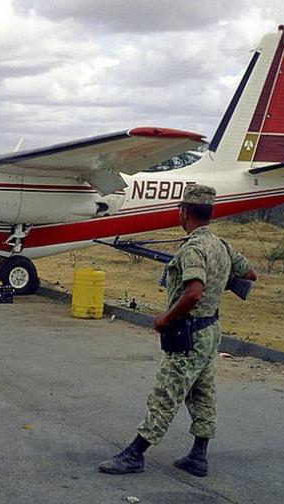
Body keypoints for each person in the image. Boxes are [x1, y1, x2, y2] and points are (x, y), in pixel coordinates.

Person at [98, 184, 257, 477]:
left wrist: (165, 318)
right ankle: (198, 456)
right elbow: (249, 273)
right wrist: (221, 280)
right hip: (211, 329)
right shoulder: (221, 245)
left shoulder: (194, 249)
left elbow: (193, 292)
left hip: (189, 332)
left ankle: (135, 454)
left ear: (184, 213)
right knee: (203, 393)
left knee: (166, 392)